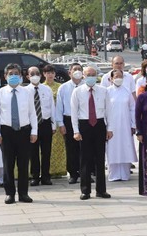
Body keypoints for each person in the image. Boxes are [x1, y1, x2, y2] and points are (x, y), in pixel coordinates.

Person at [0, 63, 38, 204]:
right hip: (6, 132)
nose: (13, 76)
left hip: (24, 131)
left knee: (24, 164)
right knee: (8, 164)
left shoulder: (27, 92)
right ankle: (10, 193)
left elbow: (32, 113)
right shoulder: (0, 93)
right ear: (5, 76)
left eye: (16, 74)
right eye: (10, 74)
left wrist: (34, 131)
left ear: (20, 76)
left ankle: (23, 193)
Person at [71, 66, 113, 200]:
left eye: (93, 75)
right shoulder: (77, 92)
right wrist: (76, 131)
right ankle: (85, 190)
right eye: (88, 74)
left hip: (99, 125)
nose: (91, 77)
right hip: (84, 125)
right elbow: (73, 113)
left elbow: (109, 111)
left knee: (100, 159)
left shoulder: (103, 91)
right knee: (85, 159)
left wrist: (110, 128)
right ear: (83, 76)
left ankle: (101, 190)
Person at [25, 66, 56, 186]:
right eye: (32, 74)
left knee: (46, 151)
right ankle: (35, 176)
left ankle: (46, 176)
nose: (35, 76)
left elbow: (52, 107)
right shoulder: (25, 91)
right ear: (27, 76)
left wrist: (54, 125)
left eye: (37, 73)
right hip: (32, 125)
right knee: (33, 152)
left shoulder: (46, 89)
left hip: (45, 123)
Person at [106, 69, 137, 181]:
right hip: (112, 125)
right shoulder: (107, 91)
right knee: (113, 148)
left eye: (120, 76)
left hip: (125, 124)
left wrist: (133, 124)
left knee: (125, 147)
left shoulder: (127, 91)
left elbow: (132, 108)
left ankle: (124, 173)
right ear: (111, 79)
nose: (118, 78)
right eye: (116, 76)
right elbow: (104, 109)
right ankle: (113, 174)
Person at [55, 63, 84, 184]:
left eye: (79, 69)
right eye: (75, 69)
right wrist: (61, 124)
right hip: (68, 119)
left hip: (84, 120)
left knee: (84, 148)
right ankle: (73, 173)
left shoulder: (86, 86)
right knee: (71, 148)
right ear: (69, 73)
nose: (77, 71)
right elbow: (59, 107)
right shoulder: (64, 88)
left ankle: (85, 172)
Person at [43, 65, 67, 177]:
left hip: (59, 120)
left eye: (52, 73)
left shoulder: (60, 87)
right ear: (44, 74)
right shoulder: (42, 87)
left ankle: (60, 169)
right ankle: (49, 170)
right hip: (48, 120)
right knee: (49, 147)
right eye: (48, 73)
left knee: (60, 145)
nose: (50, 75)